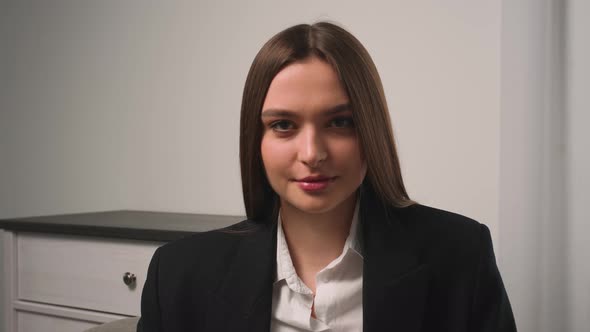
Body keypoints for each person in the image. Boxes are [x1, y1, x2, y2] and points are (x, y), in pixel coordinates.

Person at [137, 22, 517, 332]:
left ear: (371, 131)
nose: (312, 153)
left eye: (340, 122)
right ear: (256, 140)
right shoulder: (178, 275)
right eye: (283, 125)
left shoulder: (461, 257)